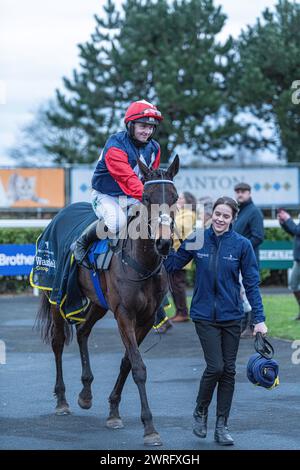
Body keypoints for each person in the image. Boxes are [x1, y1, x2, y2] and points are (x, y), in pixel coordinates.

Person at [164, 196, 268, 446]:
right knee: (216, 367)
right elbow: (171, 265)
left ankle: (222, 426)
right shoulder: (197, 238)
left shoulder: (241, 245)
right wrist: (163, 240)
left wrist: (259, 319)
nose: (220, 219)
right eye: (217, 214)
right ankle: (200, 412)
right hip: (203, 315)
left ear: (232, 219)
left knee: (229, 371)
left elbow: (252, 284)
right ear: (212, 215)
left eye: (226, 216)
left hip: (232, 316)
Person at [73, 99, 163, 265]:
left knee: (157, 221)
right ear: (130, 125)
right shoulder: (115, 145)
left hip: (134, 196)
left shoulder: (155, 148)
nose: (147, 131)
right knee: (117, 222)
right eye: (143, 126)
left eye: (151, 127)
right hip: (106, 195)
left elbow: (151, 179)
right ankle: (81, 242)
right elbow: (127, 179)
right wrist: (149, 197)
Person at [233, 182, 264, 338]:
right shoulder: (239, 212)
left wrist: (241, 250)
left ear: (249, 193)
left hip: (248, 261)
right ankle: (244, 324)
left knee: (247, 293)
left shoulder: (254, 212)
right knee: (240, 294)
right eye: (237, 191)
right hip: (237, 261)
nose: (240, 194)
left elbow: (258, 237)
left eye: (243, 191)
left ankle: (252, 325)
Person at [168, 191, 197, 322]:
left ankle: (183, 312)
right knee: (173, 285)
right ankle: (179, 311)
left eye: (181, 198)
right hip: (174, 252)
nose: (178, 200)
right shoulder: (178, 212)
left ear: (188, 200)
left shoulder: (189, 214)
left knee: (178, 284)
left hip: (181, 253)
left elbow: (180, 228)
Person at [277, 208, 300, 320]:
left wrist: (288, 219)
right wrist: (283, 223)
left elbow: (297, 230)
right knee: (293, 284)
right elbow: (294, 232)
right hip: (298, 261)